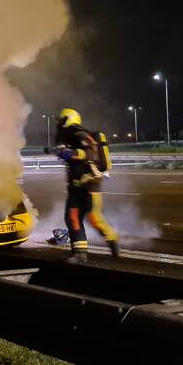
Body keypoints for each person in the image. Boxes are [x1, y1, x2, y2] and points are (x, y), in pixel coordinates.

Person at [49, 108, 119, 256]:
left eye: (62, 120)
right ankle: (79, 253)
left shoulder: (79, 133)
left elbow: (90, 152)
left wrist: (72, 153)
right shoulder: (68, 136)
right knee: (72, 217)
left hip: (89, 184)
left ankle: (112, 240)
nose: (59, 124)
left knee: (94, 218)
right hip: (75, 185)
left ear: (69, 119)